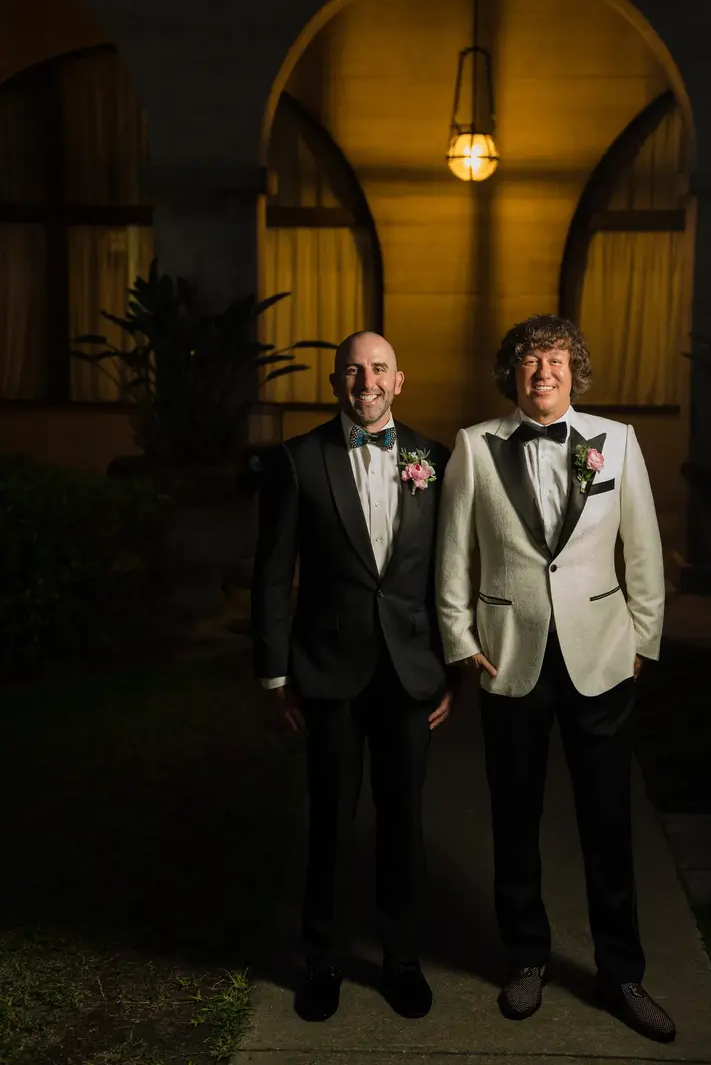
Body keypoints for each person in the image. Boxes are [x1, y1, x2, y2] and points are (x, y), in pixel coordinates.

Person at [435, 314, 676, 1043]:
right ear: (512, 373)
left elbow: (643, 548)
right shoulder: (475, 446)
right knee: (515, 820)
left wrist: (643, 636)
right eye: (531, 360)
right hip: (511, 655)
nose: (544, 371)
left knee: (609, 821)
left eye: (557, 360)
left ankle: (621, 972)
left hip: (602, 657)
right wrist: (459, 637)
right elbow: (453, 553)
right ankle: (526, 959)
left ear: (575, 373)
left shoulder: (616, 441)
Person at [251, 331, 455, 1023]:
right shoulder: (297, 460)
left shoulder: (435, 458)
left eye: (378, 370)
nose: (365, 382)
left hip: (410, 674)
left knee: (403, 822)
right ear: (336, 381)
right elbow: (272, 573)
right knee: (331, 822)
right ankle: (323, 960)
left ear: (399, 381)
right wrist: (274, 675)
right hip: (327, 671)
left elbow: (447, 572)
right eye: (352, 371)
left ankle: (401, 958)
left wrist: (450, 670)